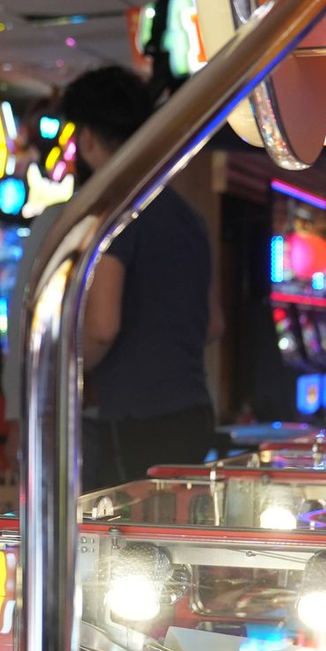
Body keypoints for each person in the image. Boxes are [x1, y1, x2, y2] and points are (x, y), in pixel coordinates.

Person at [61, 66, 221, 491]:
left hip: (137, 420)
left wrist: (63, 368)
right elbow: (213, 324)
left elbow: (101, 326)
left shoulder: (115, 213)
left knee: (129, 547)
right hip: (193, 413)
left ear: (88, 137)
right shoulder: (188, 216)